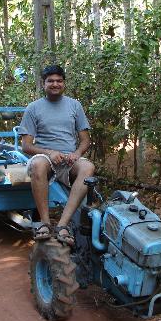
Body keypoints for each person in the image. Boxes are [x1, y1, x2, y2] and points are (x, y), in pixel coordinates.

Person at [19, 65, 95, 246]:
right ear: (43, 84)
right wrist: (49, 152)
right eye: (50, 81)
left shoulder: (75, 106)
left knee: (88, 167)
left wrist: (76, 154)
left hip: (69, 159)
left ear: (64, 83)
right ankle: (44, 223)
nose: (55, 84)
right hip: (45, 158)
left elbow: (85, 140)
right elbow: (26, 146)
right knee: (38, 164)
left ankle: (62, 224)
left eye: (59, 81)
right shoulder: (33, 108)